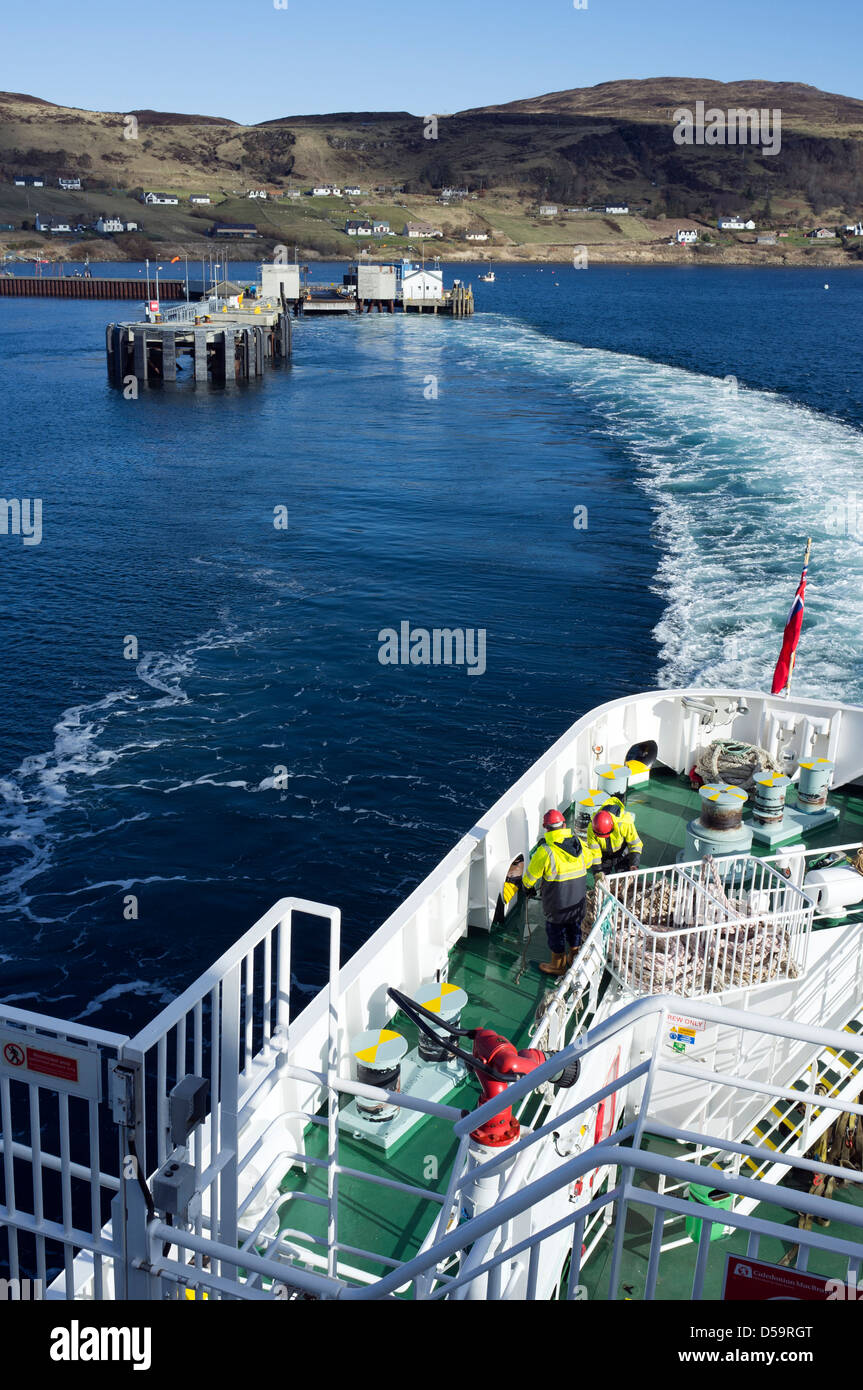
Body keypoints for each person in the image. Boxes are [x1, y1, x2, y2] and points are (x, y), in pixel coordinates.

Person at [522, 810, 600, 976]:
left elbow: (529, 878)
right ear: (564, 825)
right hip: (577, 902)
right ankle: (574, 958)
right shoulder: (578, 844)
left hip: (557, 905)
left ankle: (558, 966)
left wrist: (527, 888)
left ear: (547, 829)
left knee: (555, 933)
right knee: (575, 928)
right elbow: (589, 861)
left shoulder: (545, 851)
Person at [586, 797, 643, 874]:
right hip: (605, 855)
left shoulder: (624, 822)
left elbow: (635, 844)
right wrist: (598, 871)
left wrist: (634, 864)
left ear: (612, 826)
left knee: (624, 878)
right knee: (602, 878)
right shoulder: (592, 827)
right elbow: (594, 852)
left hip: (622, 853)